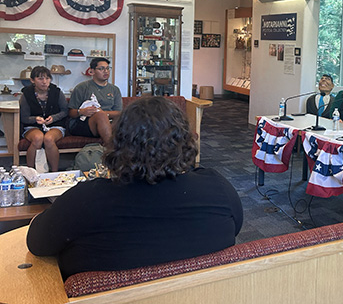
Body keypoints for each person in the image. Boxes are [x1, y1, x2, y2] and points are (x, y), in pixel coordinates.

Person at [26, 96, 243, 280]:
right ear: (184, 140)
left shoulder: (86, 200)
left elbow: (37, 243)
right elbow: (235, 228)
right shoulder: (218, 188)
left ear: (119, 142)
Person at [19, 66, 68, 172]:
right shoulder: (26, 94)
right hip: (33, 126)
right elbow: (24, 117)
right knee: (37, 138)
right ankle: (31, 173)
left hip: (55, 125)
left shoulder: (57, 92)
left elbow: (65, 111)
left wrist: (54, 118)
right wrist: (35, 119)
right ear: (32, 80)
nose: (44, 82)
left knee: (49, 139)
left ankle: (54, 173)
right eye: (40, 79)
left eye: (47, 78)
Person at [67, 57, 122, 144]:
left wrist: (103, 113)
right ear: (92, 71)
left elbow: (119, 113)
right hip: (83, 123)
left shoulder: (114, 89)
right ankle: (112, 150)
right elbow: (71, 113)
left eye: (108, 68)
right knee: (100, 116)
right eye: (101, 69)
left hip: (108, 121)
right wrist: (81, 111)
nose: (106, 71)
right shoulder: (81, 87)